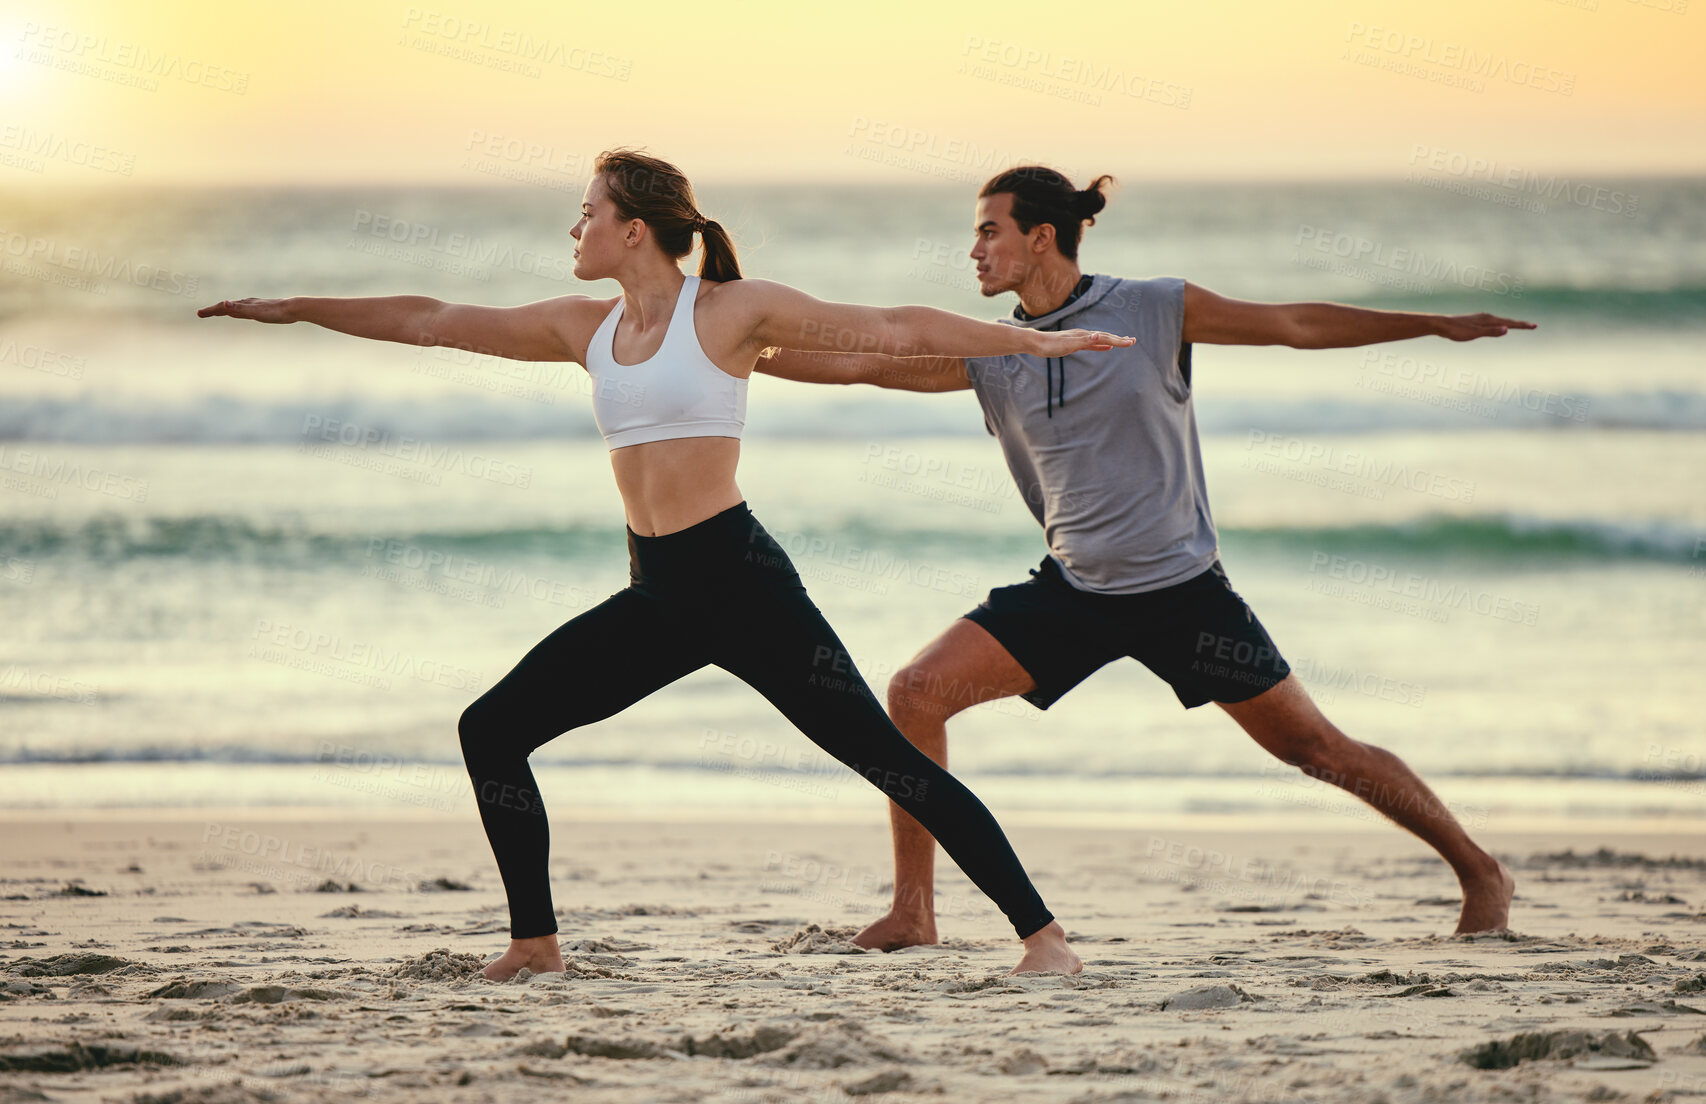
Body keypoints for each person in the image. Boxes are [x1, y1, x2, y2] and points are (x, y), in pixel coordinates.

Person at [197, 149, 1136, 980]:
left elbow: (889, 326)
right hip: (657, 593)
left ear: (632, 228)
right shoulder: (584, 327)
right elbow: (433, 317)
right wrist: (295, 308)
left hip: (744, 586)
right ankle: (534, 942)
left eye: (588, 212)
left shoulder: (732, 311)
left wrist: (1031, 339)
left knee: (888, 760)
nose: (576, 227)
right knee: (492, 728)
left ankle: (1042, 934)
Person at [755, 165, 1535, 953]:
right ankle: (914, 911)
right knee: (916, 693)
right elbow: (857, 360)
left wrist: (1431, 325)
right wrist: (734, 346)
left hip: (1182, 593)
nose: (975, 250)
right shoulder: (990, 351)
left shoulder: (1155, 309)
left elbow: (1292, 324)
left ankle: (1480, 871)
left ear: (1042, 237)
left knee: (1317, 749)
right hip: (1074, 593)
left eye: (990, 231)